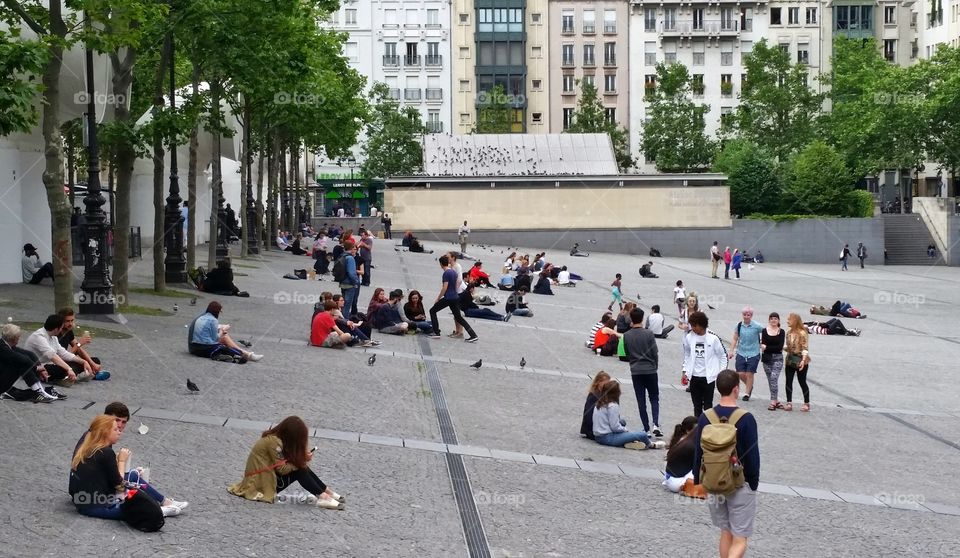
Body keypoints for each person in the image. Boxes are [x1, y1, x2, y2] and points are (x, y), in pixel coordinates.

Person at [74, 403, 188, 516]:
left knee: (132, 476)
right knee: (129, 505)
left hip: (84, 496)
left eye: (123, 422)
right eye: (116, 422)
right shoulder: (105, 449)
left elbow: (102, 470)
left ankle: (164, 502)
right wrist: (122, 462)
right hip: (95, 501)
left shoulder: (93, 437)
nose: (119, 427)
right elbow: (118, 484)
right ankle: (157, 510)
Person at [693, 370, 760, 558]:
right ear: (736, 390)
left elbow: (698, 453)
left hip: (713, 482)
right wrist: (753, 483)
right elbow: (753, 456)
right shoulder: (746, 419)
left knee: (725, 532)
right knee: (740, 539)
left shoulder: (705, 417)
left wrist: (698, 480)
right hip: (739, 483)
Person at [228, 416, 344, 510]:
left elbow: (284, 461)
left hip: (263, 479)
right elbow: (282, 469)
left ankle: (325, 492)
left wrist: (301, 458)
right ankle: (323, 495)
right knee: (301, 470)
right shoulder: (273, 443)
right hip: (260, 485)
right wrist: (301, 460)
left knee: (301, 467)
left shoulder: (275, 439)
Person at [592, 379, 665, 450]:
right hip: (607, 437)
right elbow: (615, 427)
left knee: (622, 422)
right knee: (642, 435)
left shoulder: (600, 402)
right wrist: (626, 430)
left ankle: (628, 442)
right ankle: (651, 444)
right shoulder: (613, 405)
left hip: (598, 435)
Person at [623, 307, 662, 437]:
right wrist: (655, 365)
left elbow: (627, 353)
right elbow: (654, 352)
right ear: (642, 318)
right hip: (650, 370)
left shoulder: (626, 335)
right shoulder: (649, 333)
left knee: (641, 400)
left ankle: (646, 429)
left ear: (631, 320)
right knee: (654, 398)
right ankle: (655, 424)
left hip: (636, 371)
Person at [681, 311, 728, 417]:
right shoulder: (689, 337)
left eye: (695, 326)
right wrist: (685, 371)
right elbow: (687, 354)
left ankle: (707, 429)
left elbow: (723, 356)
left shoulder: (713, 338)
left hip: (709, 378)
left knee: (708, 406)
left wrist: (721, 373)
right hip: (694, 376)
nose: (692, 328)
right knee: (696, 406)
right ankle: (697, 429)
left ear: (702, 324)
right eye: (691, 325)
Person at [0, 323, 61, 403]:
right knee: (21, 364)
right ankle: (38, 392)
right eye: (18, 337)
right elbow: (23, 359)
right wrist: (36, 368)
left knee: (25, 361)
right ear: (14, 338)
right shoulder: (2, 347)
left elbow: (29, 354)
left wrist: (40, 368)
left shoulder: (7, 345)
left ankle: (40, 391)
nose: (19, 339)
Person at [24, 314, 91, 385]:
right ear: (56, 329)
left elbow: (64, 353)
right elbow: (52, 356)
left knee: (78, 363)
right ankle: (65, 376)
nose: (62, 330)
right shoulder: (39, 337)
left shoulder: (53, 337)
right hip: (36, 367)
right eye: (61, 328)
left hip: (50, 364)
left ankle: (68, 376)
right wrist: (69, 368)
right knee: (62, 369)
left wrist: (83, 361)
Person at [187, 302, 264, 362]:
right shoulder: (213, 320)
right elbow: (216, 338)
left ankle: (246, 354)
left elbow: (206, 330)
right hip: (203, 348)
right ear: (217, 311)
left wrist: (220, 328)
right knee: (224, 337)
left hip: (193, 347)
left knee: (224, 337)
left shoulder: (201, 317)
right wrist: (222, 330)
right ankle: (246, 354)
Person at [428, 254, 478, 342]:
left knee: (432, 311)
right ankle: (473, 335)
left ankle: (436, 332)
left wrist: (438, 298)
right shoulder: (453, 272)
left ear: (441, 264)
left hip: (448, 298)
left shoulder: (446, 273)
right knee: (459, 317)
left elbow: (445, 287)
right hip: (455, 297)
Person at [57, 308, 109, 379]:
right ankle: (70, 376)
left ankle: (91, 372)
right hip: (58, 363)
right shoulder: (56, 334)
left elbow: (79, 350)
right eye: (68, 321)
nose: (71, 324)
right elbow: (63, 357)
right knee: (72, 367)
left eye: (72, 320)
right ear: (61, 322)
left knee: (95, 360)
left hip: (66, 360)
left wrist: (92, 363)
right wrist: (79, 343)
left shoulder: (68, 331)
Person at [728, 306, 763, 402]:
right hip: (741, 352)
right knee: (740, 373)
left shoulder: (756, 326)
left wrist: (763, 343)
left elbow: (766, 332)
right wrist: (731, 350)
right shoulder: (739, 325)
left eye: (748, 315)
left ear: (751, 315)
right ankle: (749, 385)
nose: (746, 316)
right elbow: (735, 338)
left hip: (753, 353)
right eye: (744, 314)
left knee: (749, 373)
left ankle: (747, 393)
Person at [662, 416, 699, 493]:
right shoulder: (690, 444)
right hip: (677, 482)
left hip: (669, 477)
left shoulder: (681, 439)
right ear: (688, 431)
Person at [784, 313, 811, 412]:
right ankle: (789, 402)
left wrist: (803, 360)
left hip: (801, 360)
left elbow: (805, 348)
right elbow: (789, 347)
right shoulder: (788, 333)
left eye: (789, 319)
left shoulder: (802, 333)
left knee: (802, 381)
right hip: (790, 359)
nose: (787, 321)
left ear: (795, 320)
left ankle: (806, 403)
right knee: (788, 381)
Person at [760, 312, 785, 411]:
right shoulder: (764, 331)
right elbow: (763, 346)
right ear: (769, 320)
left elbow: (779, 347)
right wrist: (766, 348)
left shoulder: (781, 331)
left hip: (777, 358)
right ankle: (776, 400)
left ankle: (773, 401)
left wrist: (767, 348)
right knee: (771, 380)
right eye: (772, 318)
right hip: (767, 358)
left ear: (778, 320)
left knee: (774, 378)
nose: (773, 320)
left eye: (775, 318)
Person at [580, 371, 611, 440]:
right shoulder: (593, 396)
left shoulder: (603, 394)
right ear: (598, 382)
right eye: (606, 383)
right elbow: (588, 417)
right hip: (592, 430)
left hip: (600, 425)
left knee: (622, 421)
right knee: (618, 424)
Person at [338, 240, 362, 319]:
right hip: (349, 283)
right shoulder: (350, 258)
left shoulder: (342, 256)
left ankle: (341, 318)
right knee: (347, 304)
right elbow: (351, 273)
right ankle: (344, 320)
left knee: (342, 302)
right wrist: (355, 282)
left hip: (342, 281)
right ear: (351, 248)